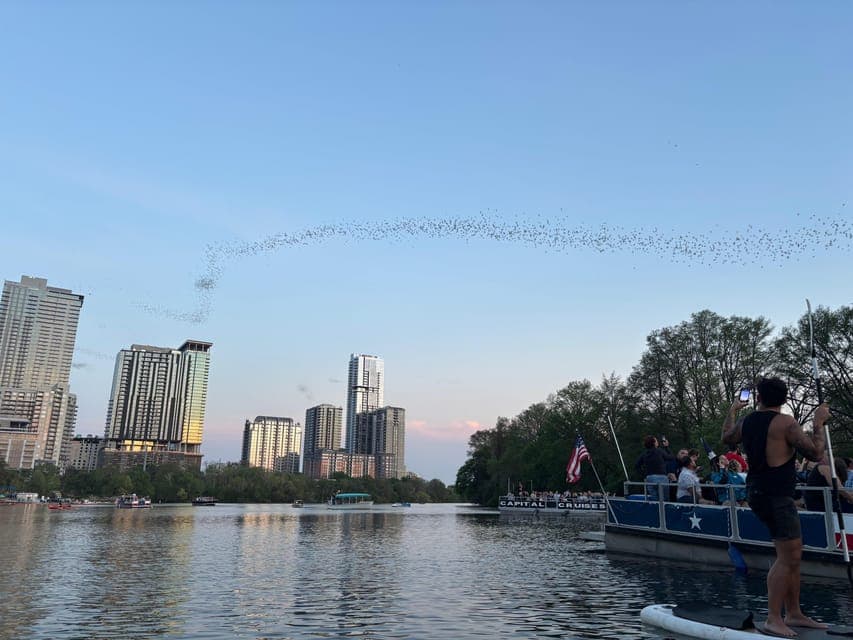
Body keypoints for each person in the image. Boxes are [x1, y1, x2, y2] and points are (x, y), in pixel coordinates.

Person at [722, 376, 830, 638]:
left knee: (793, 555)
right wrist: (817, 423)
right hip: (776, 496)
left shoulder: (747, 421)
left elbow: (727, 437)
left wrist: (733, 410)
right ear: (783, 398)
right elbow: (816, 454)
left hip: (760, 492)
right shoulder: (785, 423)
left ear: (759, 398)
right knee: (788, 557)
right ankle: (774, 618)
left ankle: (794, 613)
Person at [635, 435, 675, 500]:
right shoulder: (659, 451)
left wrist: (644, 475)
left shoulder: (644, 454)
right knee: (665, 499)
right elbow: (671, 457)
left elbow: (637, 465)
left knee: (654, 500)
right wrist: (667, 447)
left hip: (649, 478)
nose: (657, 442)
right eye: (656, 440)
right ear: (654, 443)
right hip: (661, 477)